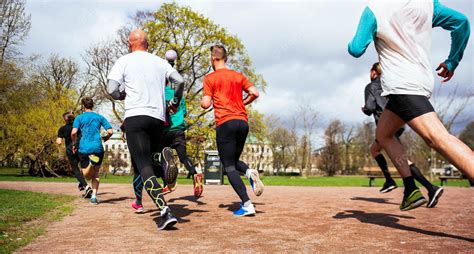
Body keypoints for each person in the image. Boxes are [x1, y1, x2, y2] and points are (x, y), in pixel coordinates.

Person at [349, 0, 473, 211]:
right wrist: (452, 61)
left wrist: (372, 32)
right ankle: (410, 189)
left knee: (437, 139)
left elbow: (355, 48)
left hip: (402, 85)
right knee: (384, 135)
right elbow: (461, 22)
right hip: (417, 83)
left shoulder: (374, 10)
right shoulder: (427, 4)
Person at [106, 29, 184, 230]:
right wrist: (175, 101)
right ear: (147, 44)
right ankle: (162, 156)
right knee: (152, 157)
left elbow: (111, 89)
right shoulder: (160, 62)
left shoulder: (124, 60)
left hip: (136, 117)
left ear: (130, 43)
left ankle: (165, 211)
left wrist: (122, 95)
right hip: (158, 119)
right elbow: (180, 81)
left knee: (143, 166)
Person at [362, 63, 443, 208]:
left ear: (374, 72)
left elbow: (370, 107)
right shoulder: (390, 82)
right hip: (399, 123)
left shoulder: (371, 86)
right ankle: (391, 181)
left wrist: (365, 110)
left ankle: (430, 188)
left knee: (401, 159)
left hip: (385, 126)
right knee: (375, 149)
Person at [201, 45, 264, 217]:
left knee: (228, 166)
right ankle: (249, 172)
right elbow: (255, 92)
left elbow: (206, 104)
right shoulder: (238, 76)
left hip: (225, 123)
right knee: (233, 160)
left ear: (213, 59)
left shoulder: (210, 78)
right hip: (242, 123)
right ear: (225, 58)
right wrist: (243, 103)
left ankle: (247, 204)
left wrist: (206, 100)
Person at [71, 97, 113, 205]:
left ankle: (90, 163)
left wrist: (74, 143)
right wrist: (105, 138)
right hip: (97, 147)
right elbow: (110, 131)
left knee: (86, 175)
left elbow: (74, 132)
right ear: (92, 105)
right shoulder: (99, 117)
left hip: (84, 148)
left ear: (83, 106)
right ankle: (94, 197)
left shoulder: (79, 118)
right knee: (96, 173)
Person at [56, 111, 91, 198]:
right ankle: (82, 183)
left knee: (75, 169)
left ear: (65, 120)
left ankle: (86, 186)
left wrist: (58, 142)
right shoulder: (79, 127)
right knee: (84, 167)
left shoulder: (62, 129)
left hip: (70, 150)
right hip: (82, 148)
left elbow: (59, 141)